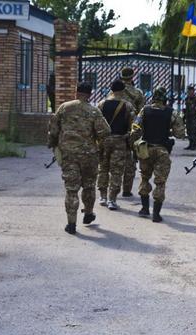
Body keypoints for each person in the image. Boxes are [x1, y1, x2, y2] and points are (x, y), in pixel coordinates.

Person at [47, 82, 110, 234]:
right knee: (89, 186)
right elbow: (105, 131)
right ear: (90, 94)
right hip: (89, 156)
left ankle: (71, 224)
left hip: (69, 155)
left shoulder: (64, 107)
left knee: (71, 189)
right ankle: (88, 213)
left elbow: (53, 129)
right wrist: (97, 144)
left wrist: (53, 144)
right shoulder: (94, 111)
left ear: (76, 92)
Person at [130, 87, 184, 223]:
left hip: (146, 149)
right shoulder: (171, 112)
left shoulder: (145, 110)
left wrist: (134, 146)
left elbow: (135, 129)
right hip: (162, 150)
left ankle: (144, 209)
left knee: (144, 178)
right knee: (160, 182)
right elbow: (180, 133)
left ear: (153, 98)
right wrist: (168, 131)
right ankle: (156, 214)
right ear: (165, 99)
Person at [96, 79, 135, 210]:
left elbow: (97, 123)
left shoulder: (101, 104)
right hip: (120, 141)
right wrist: (130, 140)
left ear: (111, 90)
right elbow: (133, 126)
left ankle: (102, 196)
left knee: (103, 168)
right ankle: (112, 199)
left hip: (104, 141)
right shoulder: (127, 106)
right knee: (116, 171)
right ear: (123, 91)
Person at [118, 66, 145, 198]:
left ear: (121, 76)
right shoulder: (138, 92)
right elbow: (142, 113)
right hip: (132, 129)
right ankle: (126, 190)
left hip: (115, 129)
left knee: (115, 159)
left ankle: (113, 188)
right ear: (132, 76)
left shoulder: (114, 91)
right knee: (130, 160)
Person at [182, 84, 196, 150]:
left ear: (193, 91)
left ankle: (194, 145)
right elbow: (187, 107)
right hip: (188, 116)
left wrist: (195, 109)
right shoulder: (187, 98)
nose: (189, 92)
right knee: (188, 131)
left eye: (190, 91)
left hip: (194, 117)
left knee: (193, 131)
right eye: (188, 91)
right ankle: (190, 144)